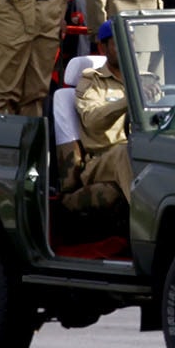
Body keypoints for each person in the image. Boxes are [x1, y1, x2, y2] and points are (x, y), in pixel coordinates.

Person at [64, 19, 133, 217]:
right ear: (103, 48)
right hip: (101, 159)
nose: (125, 47)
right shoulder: (91, 80)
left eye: (129, 41)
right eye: (117, 43)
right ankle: (145, 224)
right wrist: (127, 101)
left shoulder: (145, 79)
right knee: (126, 151)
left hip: (138, 150)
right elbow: (92, 122)